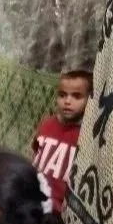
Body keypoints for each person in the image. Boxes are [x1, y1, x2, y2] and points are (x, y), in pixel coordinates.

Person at [32, 71, 92, 215]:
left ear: (90, 99)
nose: (67, 101)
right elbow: (36, 156)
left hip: (59, 211)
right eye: (62, 95)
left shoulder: (87, 135)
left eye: (76, 96)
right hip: (34, 200)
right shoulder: (47, 124)